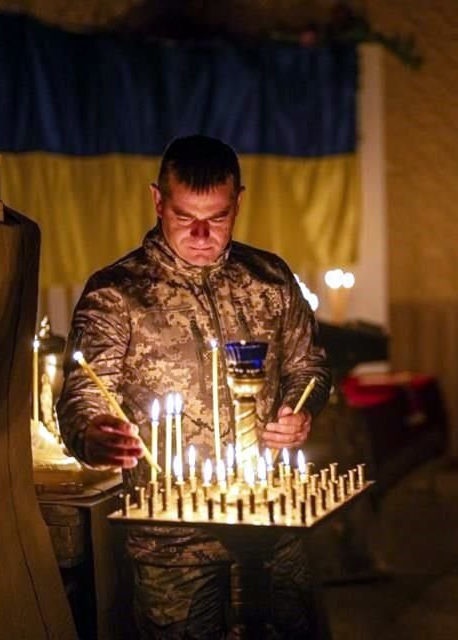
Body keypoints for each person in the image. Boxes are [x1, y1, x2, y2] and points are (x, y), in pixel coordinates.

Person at [57, 135, 331, 638]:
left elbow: (309, 366)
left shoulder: (268, 279)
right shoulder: (118, 294)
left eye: (219, 217)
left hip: (271, 528)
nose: (202, 234)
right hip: (172, 542)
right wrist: (94, 433)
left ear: (239, 202)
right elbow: (83, 395)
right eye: (185, 217)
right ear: (158, 201)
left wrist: (299, 409)